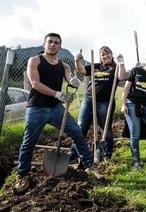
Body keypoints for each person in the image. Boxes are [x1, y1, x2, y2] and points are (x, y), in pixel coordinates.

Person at [16, 33, 94, 180]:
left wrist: (74, 81)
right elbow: (35, 84)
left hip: (55, 109)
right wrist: (58, 94)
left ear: (60, 46)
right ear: (44, 45)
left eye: (56, 43)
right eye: (50, 42)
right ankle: (22, 174)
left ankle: (90, 165)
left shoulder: (63, 65)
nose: (52, 45)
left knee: (77, 133)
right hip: (36, 108)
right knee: (29, 142)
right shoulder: (35, 61)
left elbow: (69, 77)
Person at [70, 46, 126, 161]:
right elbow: (81, 70)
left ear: (111, 54)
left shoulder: (115, 67)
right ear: (100, 57)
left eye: (107, 53)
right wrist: (77, 60)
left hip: (105, 102)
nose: (105, 56)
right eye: (102, 55)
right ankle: (74, 152)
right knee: (81, 126)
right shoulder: (95, 66)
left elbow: (121, 77)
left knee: (105, 129)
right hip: (89, 99)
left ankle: (107, 154)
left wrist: (121, 63)